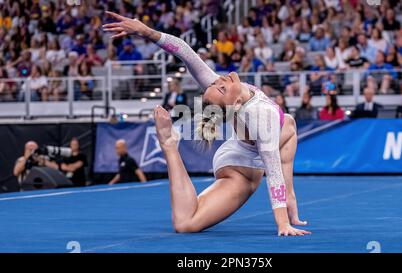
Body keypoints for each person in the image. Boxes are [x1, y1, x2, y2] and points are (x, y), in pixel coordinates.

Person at [103, 11, 310, 236]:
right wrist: (282, 223)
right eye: (220, 88)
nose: (220, 81)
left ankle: (290, 200)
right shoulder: (262, 115)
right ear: (235, 104)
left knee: (288, 124)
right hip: (240, 171)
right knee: (186, 224)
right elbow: (273, 170)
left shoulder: (242, 102)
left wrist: (147, 32)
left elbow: (186, 52)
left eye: (217, 83)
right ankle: (170, 146)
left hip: (243, 149)